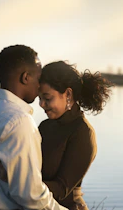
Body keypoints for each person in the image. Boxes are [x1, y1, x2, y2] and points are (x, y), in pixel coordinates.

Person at [0, 45, 68, 210]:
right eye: (39, 78)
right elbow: (30, 194)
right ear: (26, 77)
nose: (41, 85)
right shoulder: (20, 121)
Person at [37, 61, 114, 209]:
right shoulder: (45, 126)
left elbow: (61, 189)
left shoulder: (83, 133)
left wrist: (16, 181)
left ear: (68, 94)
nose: (41, 104)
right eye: (39, 98)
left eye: (47, 98)